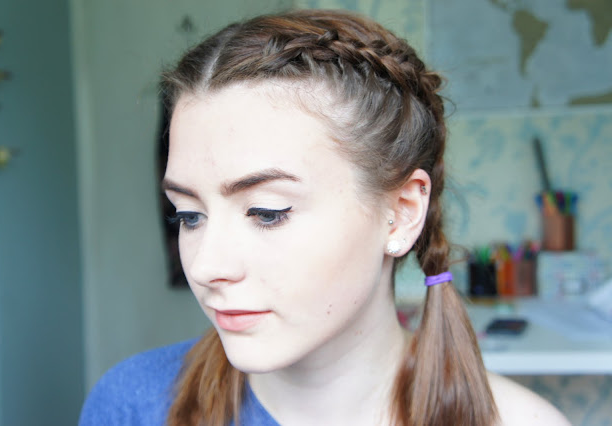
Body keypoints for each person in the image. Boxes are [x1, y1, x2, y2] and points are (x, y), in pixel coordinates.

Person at [80, 9, 570, 426]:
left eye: (267, 213)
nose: (206, 267)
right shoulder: (133, 404)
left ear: (402, 214)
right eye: (188, 216)